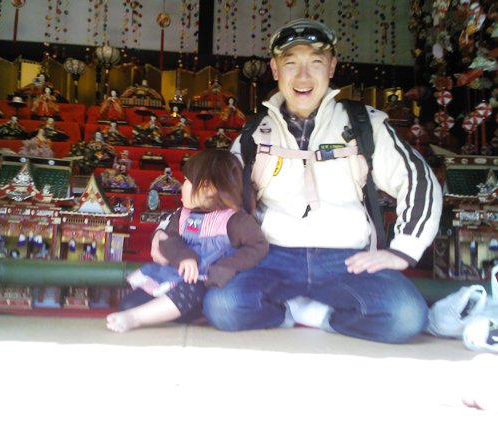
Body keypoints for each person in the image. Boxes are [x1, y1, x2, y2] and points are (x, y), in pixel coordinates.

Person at [152, 19, 443, 344]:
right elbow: (211, 190)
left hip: (346, 258)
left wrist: (403, 249)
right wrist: (165, 229)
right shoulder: (255, 133)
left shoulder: (365, 125)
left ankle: (318, 315)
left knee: (405, 316)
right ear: (275, 69)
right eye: (291, 64)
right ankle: (292, 310)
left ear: (331, 67)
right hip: (269, 254)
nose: (303, 76)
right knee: (224, 307)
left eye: (315, 63)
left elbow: (419, 180)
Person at [106, 149, 269, 333]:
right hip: (174, 276)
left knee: (189, 292)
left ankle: (137, 318)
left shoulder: (235, 220)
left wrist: (227, 266)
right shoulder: (182, 215)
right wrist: (183, 256)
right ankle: (163, 312)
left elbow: (258, 246)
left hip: (206, 283)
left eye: (186, 181)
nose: (181, 186)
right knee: (129, 304)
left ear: (208, 188)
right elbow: (167, 239)